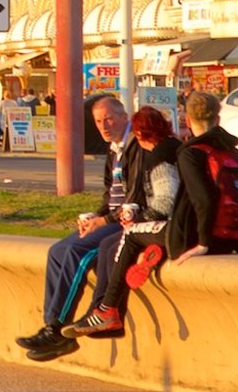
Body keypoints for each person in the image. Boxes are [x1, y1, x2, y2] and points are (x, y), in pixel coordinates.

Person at [15, 93, 133, 363]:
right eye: (99, 121)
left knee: (77, 253)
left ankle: (57, 329)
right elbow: (110, 195)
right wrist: (96, 215)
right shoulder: (113, 149)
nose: (104, 126)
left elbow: (135, 198)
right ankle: (49, 325)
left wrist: (105, 220)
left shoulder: (135, 146)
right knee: (57, 250)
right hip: (111, 217)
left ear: (124, 117)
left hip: (126, 222)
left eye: (109, 119)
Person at [68, 104, 186, 342]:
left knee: (125, 238)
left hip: (172, 225)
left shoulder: (161, 156)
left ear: (141, 134)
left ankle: (107, 309)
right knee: (109, 246)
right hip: (174, 224)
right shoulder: (169, 149)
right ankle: (102, 310)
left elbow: (165, 203)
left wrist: (136, 218)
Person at [170, 92, 238, 264]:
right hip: (232, 235)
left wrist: (203, 243)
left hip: (198, 236)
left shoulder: (190, 153)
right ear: (218, 119)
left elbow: (202, 200)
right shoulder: (231, 150)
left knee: (132, 237)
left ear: (188, 120)